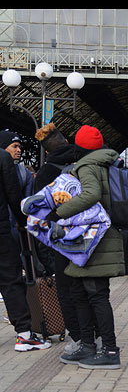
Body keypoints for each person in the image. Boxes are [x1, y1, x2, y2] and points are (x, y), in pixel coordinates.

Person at [53, 125, 125, 369]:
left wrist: (60, 211)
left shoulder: (86, 166)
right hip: (96, 238)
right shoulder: (107, 163)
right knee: (80, 291)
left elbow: (92, 194)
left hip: (96, 240)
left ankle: (110, 350)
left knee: (96, 294)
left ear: (79, 147)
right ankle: (87, 345)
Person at [34, 123, 89, 354]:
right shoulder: (86, 162)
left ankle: (77, 339)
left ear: (46, 151)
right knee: (90, 290)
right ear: (67, 141)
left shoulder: (46, 173)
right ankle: (93, 334)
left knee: (66, 291)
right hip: (90, 235)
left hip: (62, 241)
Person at [0, 144, 51, 351]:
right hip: (1, 231)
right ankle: (24, 334)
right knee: (11, 280)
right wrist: (22, 222)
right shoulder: (2, 158)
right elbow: (13, 195)